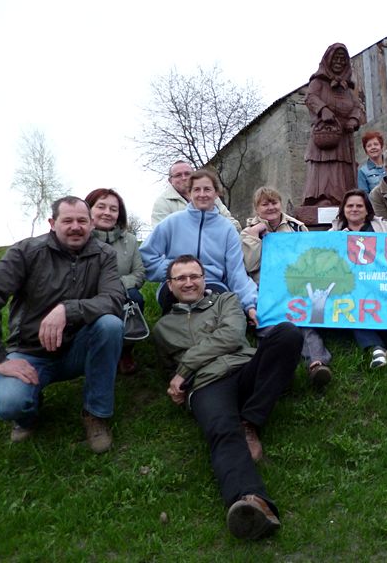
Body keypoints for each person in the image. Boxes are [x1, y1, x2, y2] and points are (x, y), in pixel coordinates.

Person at [153, 255, 302, 540]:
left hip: (243, 367)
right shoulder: (162, 329)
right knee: (222, 431)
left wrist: (184, 369)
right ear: (170, 286)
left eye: (194, 276)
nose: (188, 282)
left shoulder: (227, 301)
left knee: (287, 334)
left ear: (203, 279)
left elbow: (232, 336)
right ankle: (251, 501)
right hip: (207, 385)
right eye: (180, 278)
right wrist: (180, 390)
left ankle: (251, 420)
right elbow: (168, 372)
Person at [0, 196, 125, 453]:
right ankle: (27, 414)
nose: (76, 227)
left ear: (91, 224)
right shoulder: (26, 252)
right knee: (8, 403)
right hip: (30, 352)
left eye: (82, 221)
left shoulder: (104, 255)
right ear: (52, 223)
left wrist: (68, 309)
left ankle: (96, 414)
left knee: (111, 325)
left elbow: (115, 299)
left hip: (78, 347)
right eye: (67, 220)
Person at [241, 186, 332, 389]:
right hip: (264, 291)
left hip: (295, 288)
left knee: (306, 325)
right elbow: (249, 265)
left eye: (274, 202)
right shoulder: (248, 232)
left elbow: (310, 258)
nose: (271, 207)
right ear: (257, 208)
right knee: (272, 328)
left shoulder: (297, 227)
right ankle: (283, 370)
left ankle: (317, 364)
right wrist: (255, 237)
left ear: (280, 203)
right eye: (265, 204)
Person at [141, 169, 258, 318]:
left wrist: (249, 305)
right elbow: (146, 257)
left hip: (213, 285)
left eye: (207, 189)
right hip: (177, 285)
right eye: (196, 189)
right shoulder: (172, 222)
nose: (202, 194)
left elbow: (236, 273)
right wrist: (174, 271)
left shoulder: (227, 229)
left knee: (209, 319)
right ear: (189, 194)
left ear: (216, 194)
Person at [330, 189, 387, 369]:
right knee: (352, 305)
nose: (354, 209)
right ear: (343, 209)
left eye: (359, 206)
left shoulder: (382, 226)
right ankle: (375, 347)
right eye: (350, 206)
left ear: (366, 209)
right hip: (353, 287)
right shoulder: (334, 231)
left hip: (383, 282)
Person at [85, 187, 146, 375]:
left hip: (122, 293)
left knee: (136, 298)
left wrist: (114, 285)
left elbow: (139, 273)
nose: (107, 213)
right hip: (88, 295)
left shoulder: (130, 240)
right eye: (101, 207)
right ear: (88, 210)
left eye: (113, 209)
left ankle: (125, 350)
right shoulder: (80, 238)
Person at [302, 43, 366, 206]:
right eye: (335, 58)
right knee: (324, 168)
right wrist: (323, 110)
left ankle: (344, 200)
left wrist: (354, 119)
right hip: (325, 133)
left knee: (342, 170)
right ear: (328, 60)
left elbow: (358, 106)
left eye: (342, 59)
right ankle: (321, 198)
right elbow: (310, 98)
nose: (338, 62)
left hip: (343, 136)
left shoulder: (347, 88)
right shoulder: (318, 82)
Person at [151, 160, 241, 231]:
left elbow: (233, 224)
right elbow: (160, 235)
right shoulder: (162, 202)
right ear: (170, 180)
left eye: (187, 174)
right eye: (178, 175)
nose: (184, 178)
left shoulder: (211, 196)